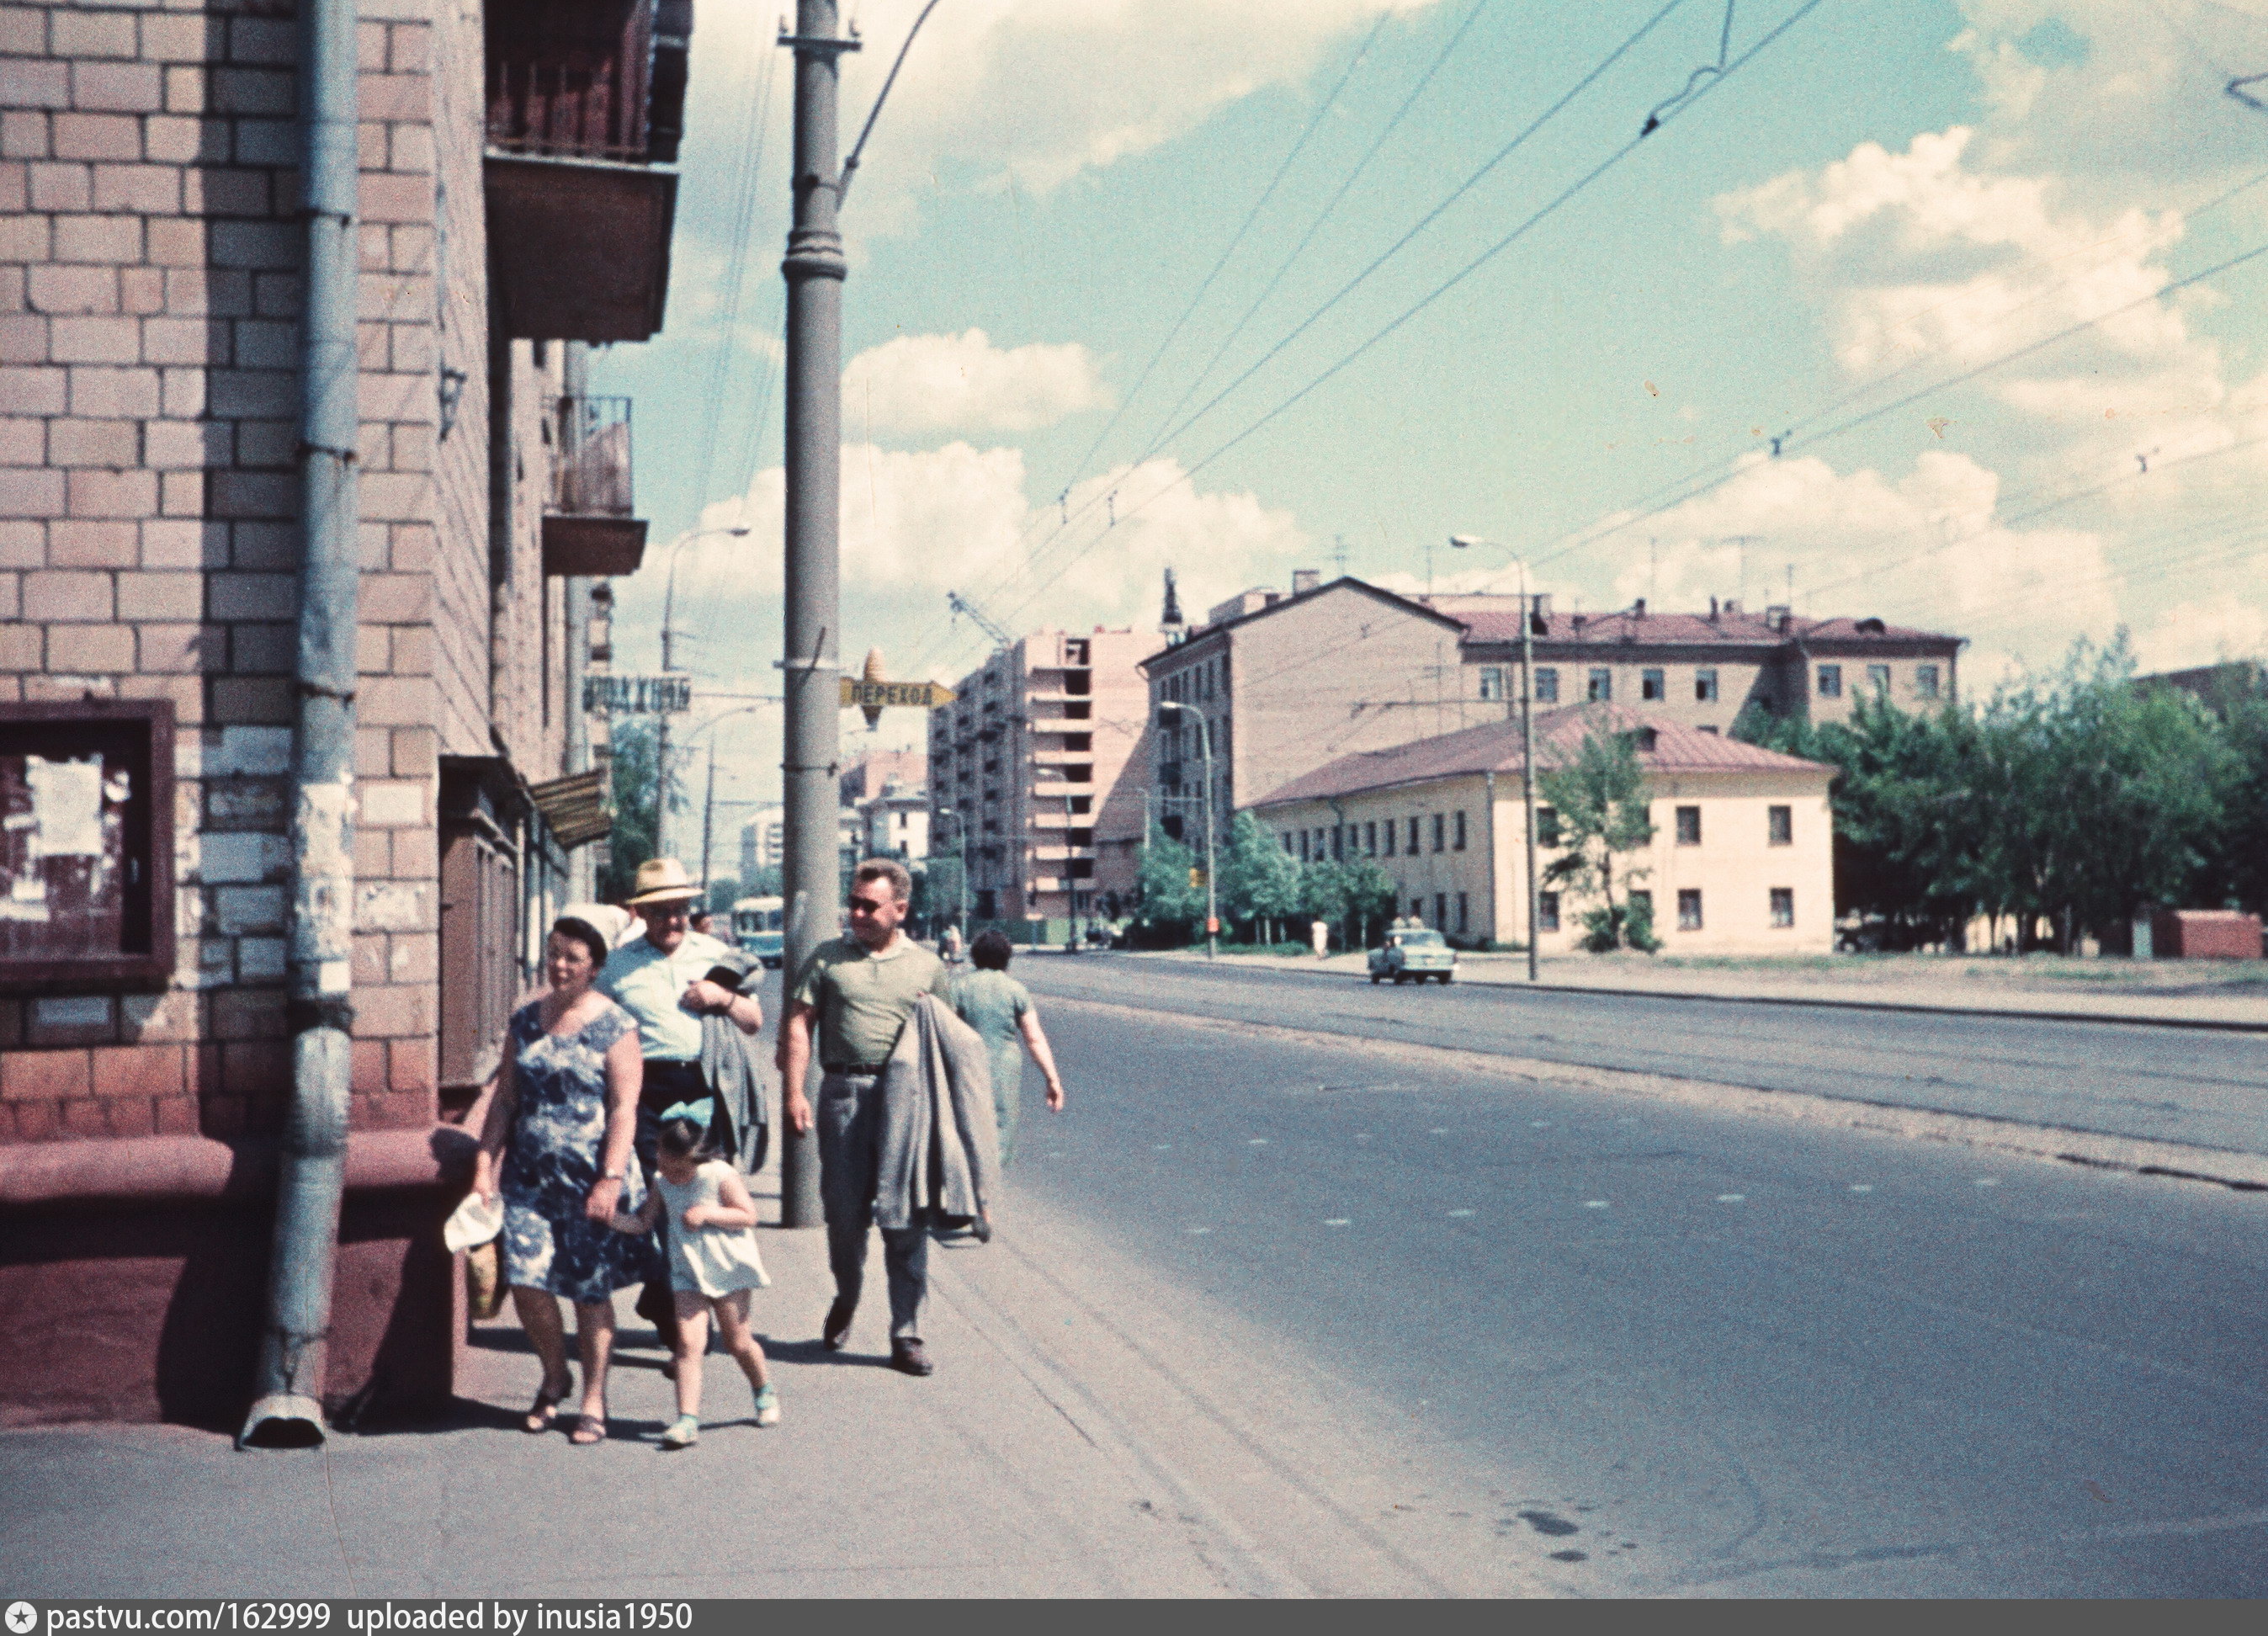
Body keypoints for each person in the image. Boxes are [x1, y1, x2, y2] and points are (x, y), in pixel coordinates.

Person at [472, 916, 648, 1447]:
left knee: (589, 1292)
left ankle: (594, 1398)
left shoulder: (615, 1025)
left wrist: (610, 1178)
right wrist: (485, 1166)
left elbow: (623, 1109)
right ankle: (555, 1375)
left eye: (572, 957)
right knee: (527, 1282)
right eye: (553, 954)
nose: (560, 966)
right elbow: (505, 1099)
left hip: (590, 1179)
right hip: (529, 1178)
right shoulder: (525, 1022)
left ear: (595, 965)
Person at [779, 858, 955, 1376]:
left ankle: (907, 1333)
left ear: (899, 910)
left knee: (905, 1217)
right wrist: (794, 1092)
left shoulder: (927, 967)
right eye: (852, 902)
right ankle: (848, 1294)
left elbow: (946, 1041)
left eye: (867, 905)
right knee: (843, 1213)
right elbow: (796, 1026)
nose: (854, 912)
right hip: (843, 1096)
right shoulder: (828, 960)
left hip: (907, 1101)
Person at [597, 858, 765, 1360]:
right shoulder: (617, 965)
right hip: (646, 1091)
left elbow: (754, 1021)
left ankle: (661, 1300)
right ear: (641, 913)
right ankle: (679, 1328)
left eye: (682, 910)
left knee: (702, 1196)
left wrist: (724, 997)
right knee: (667, 1200)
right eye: (663, 911)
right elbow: (597, 1025)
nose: (675, 920)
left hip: (703, 1088)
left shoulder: (715, 954)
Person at [608, 1107, 779, 1449]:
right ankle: (687, 1421)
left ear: (699, 1160)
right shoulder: (661, 1181)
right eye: (664, 1165)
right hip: (687, 1272)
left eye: (679, 1170)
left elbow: (748, 1215)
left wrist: (709, 1213)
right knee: (687, 1344)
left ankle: (763, 1389)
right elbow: (643, 1222)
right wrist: (610, 1218)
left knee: (737, 1342)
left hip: (728, 1270)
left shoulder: (720, 1175)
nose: (671, 1175)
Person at [950, 929, 1065, 1174]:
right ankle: (986, 1195)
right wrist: (1052, 1079)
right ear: (1007, 958)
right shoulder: (1016, 990)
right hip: (1003, 1072)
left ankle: (968, 1191)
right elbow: (1034, 1039)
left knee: (965, 1128)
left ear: (975, 956)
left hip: (966, 1070)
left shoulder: (958, 987)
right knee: (999, 1131)